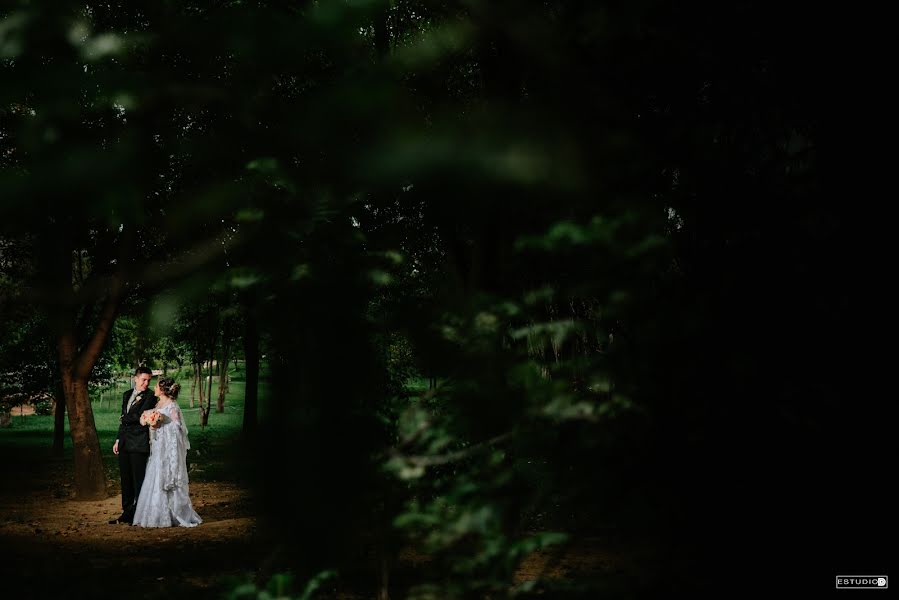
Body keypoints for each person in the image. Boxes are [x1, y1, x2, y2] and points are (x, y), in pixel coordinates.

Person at [132, 377, 202, 527]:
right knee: (155, 474)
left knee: (166, 475)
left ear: (162, 390)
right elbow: (150, 419)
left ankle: (173, 514)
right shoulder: (158, 403)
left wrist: (162, 421)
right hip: (157, 446)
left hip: (167, 448)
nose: (154, 388)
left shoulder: (172, 406)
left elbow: (178, 428)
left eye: (156, 386)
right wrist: (150, 420)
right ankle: (154, 514)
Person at [109, 366, 157, 525]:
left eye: (149, 380)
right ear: (135, 378)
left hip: (139, 443)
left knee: (139, 480)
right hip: (124, 443)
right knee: (126, 479)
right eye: (143, 379)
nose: (146, 383)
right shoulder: (127, 395)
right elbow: (124, 419)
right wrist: (117, 439)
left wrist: (124, 418)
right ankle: (126, 513)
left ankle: (139, 514)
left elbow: (140, 416)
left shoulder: (150, 396)